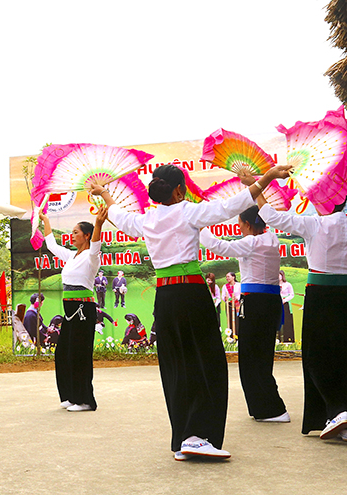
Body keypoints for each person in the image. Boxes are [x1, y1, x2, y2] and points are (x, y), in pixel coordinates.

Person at [89, 162, 292, 460]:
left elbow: (117, 215)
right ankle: (197, 436)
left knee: (176, 365)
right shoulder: (188, 211)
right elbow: (232, 204)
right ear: (180, 189)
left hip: (165, 298)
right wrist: (269, 177)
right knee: (206, 363)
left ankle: (184, 437)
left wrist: (104, 193)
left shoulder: (146, 219)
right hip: (191, 295)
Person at [256, 190, 347, 443]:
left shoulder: (314, 223)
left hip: (321, 294)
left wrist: (255, 187)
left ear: (323, 203)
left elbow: (271, 216)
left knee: (316, 356)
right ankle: (343, 422)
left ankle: (337, 411)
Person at [200, 206, 289, 423]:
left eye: (240, 225)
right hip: (271, 301)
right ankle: (266, 406)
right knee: (262, 354)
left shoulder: (251, 242)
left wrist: (200, 226)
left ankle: (272, 409)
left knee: (250, 356)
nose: (240, 229)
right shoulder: (272, 239)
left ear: (248, 225)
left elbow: (218, 246)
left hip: (255, 302)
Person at [41, 206, 108, 412]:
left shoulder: (91, 257)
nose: (72, 236)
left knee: (79, 353)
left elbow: (96, 244)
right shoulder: (71, 256)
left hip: (83, 308)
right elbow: (51, 245)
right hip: (69, 310)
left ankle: (85, 400)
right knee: (63, 353)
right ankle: (70, 395)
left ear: (86, 236)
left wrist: (98, 223)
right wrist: (45, 220)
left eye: (76, 233)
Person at [279, 270, 295, 343]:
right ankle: (278, 338)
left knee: (287, 320)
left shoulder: (287, 284)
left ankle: (288, 338)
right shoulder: (275, 284)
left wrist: (285, 299)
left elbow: (292, 294)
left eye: (280, 275)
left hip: (285, 304)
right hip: (277, 303)